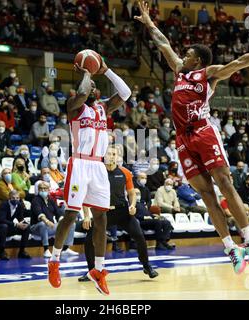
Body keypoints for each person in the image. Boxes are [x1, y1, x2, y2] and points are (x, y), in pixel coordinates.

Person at [135, 1, 249, 274]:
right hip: (182, 139)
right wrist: (149, 23)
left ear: (198, 60)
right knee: (206, 194)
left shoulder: (207, 74)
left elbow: (240, 62)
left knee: (224, 183)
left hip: (204, 131)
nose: (182, 56)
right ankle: (231, 247)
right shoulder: (180, 71)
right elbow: (163, 44)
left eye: (187, 54)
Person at [48, 58, 131, 296]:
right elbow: (83, 92)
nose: (94, 88)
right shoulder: (74, 105)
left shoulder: (104, 108)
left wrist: (106, 71)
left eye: (96, 85)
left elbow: (125, 92)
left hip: (98, 167)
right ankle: (54, 261)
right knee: (72, 214)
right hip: (80, 163)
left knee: (101, 219)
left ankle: (98, 270)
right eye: (92, 85)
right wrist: (87, 72)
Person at [77, 146, 158, 282]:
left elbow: (131, 193)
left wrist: (132, 205)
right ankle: (92, 271)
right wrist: (86, 215)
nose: (111, 156)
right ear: (104, 156)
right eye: (108, 153)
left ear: (117, 156)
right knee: (89, 241)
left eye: (114, 154)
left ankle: (146, 266)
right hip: (103, 213)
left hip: (122, 211)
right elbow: (86, 195)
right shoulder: (96, 172)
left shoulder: (125, 172)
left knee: (139, 236)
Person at [30, 181, 77, 258]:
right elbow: (39, 213)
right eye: (40, 188)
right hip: (36, 227)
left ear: (49, 190)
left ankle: (65, 249)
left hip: (50, 226)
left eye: (45, 188)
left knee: (71, 224)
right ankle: (46, 250)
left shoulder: (51, 200)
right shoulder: (35, 200)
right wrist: (47, 221)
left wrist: (63, 221)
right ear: (38, 190)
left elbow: (58, 213)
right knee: (43, 224)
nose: (42, 190)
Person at [0, 190, 31, 260]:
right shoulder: (4, 205)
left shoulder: (19, 205)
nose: (15, 200)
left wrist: (25, 224)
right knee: (4, 226)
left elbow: (20, 218)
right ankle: (2, 252)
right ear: (9, 198)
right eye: (13, 198)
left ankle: (22, 251)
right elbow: (2, 220)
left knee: (26, 227)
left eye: (17, 198)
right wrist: (16, 224)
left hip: (8, 228)